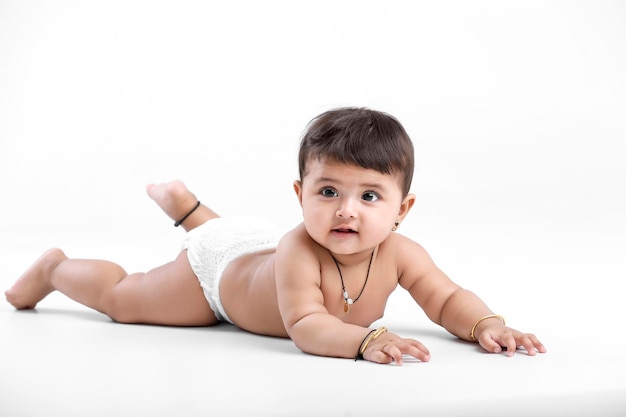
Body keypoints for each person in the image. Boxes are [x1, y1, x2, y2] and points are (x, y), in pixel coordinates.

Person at [5, 107, 546, 365]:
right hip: (216, 279)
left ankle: (187, 207)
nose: (346, 212)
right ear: (300, 194)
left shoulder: (401, 253)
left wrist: (486, 324)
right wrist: (365, 339)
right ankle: (55, 268)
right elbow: (308, 326)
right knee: (126, 298)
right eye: (328, 192)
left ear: (402, 208)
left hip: (246, 240)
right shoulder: (297, 250)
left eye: (370, 197)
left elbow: (446, 297)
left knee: (219, 231)